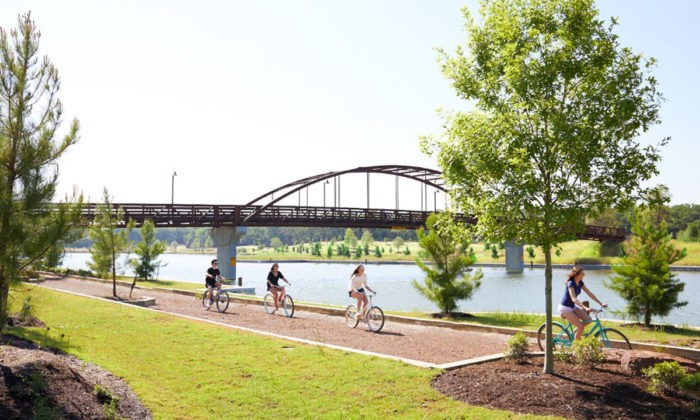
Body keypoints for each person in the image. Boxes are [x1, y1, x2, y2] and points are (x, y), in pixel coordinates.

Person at [559, 266, 607, 340]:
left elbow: (589, 293)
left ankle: (575, 333)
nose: (583, 275)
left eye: (583, 273)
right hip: (565, 308)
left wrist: (601, 303)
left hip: (572, 307)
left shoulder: (580, 283)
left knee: (588, 320)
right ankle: (575, 348)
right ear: (576, 274)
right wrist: (585, 308)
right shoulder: (571, 283)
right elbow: (574, 299)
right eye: (581, 273)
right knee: (581, 326)